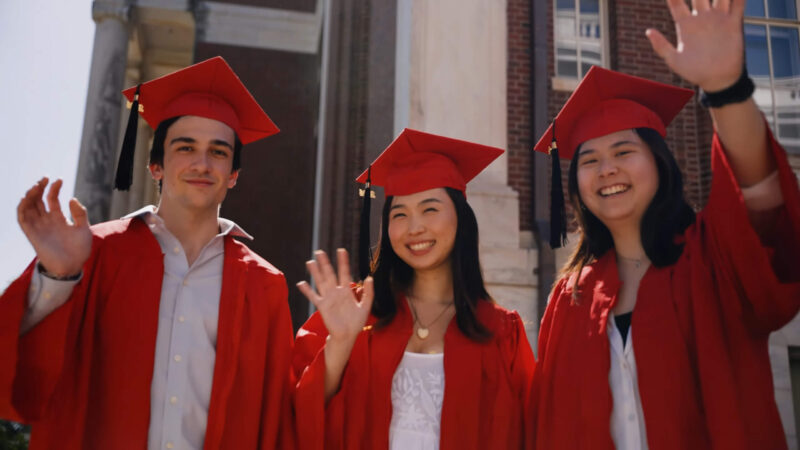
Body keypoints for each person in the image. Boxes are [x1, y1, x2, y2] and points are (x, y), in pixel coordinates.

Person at [529, 0, 800, 449]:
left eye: (623, 152)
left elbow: (762, 202)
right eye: (589, 160)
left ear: (659, 163)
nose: (606, 169)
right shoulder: (569, 297)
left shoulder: (713, 261)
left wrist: (725, 89)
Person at [0, 57, 295, 449]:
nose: (202, 163)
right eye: (185, 147)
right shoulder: (96, 252)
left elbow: (278, 417)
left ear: (234, 175)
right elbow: (26, 376)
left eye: (219, 152)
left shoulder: (264, 285)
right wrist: (57, 275)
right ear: (155, 165)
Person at [292, 128, 536, 449]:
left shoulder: (501, 332)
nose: (414, 227)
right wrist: (340, 344)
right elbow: (297, 415)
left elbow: (528, 433)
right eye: (399, 214)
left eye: (430, 209)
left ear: (461, 219)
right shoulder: (357, 311)